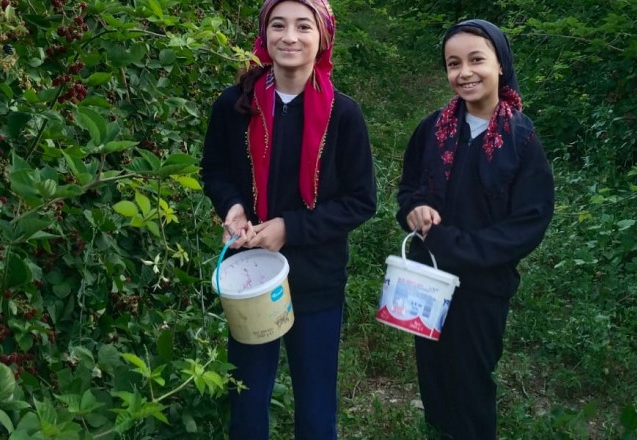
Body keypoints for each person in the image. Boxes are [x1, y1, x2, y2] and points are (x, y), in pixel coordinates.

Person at [200, 0, 377, 438]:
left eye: (304, 26)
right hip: (251, 279)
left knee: (316, 409)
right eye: (278, 25)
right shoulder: (235, 105)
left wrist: (288, 228)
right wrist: (234, 208)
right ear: (264, 35)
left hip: (317, 278)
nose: (290, 37)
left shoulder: (343, 115)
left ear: (323, 39)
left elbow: (360, 200)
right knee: (246, 399)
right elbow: (216, 171)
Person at [396, 19, 555, 439]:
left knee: (470, 380)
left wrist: (457, 245)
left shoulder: (521, 139)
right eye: (453, 63)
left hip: (483, 287)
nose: (464, 72)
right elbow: (409, 187)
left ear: (500, 64)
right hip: (426, 280)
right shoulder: (432, 129)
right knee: (433, 374)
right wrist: (414, 210)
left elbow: (528, 223)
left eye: (476, 60)